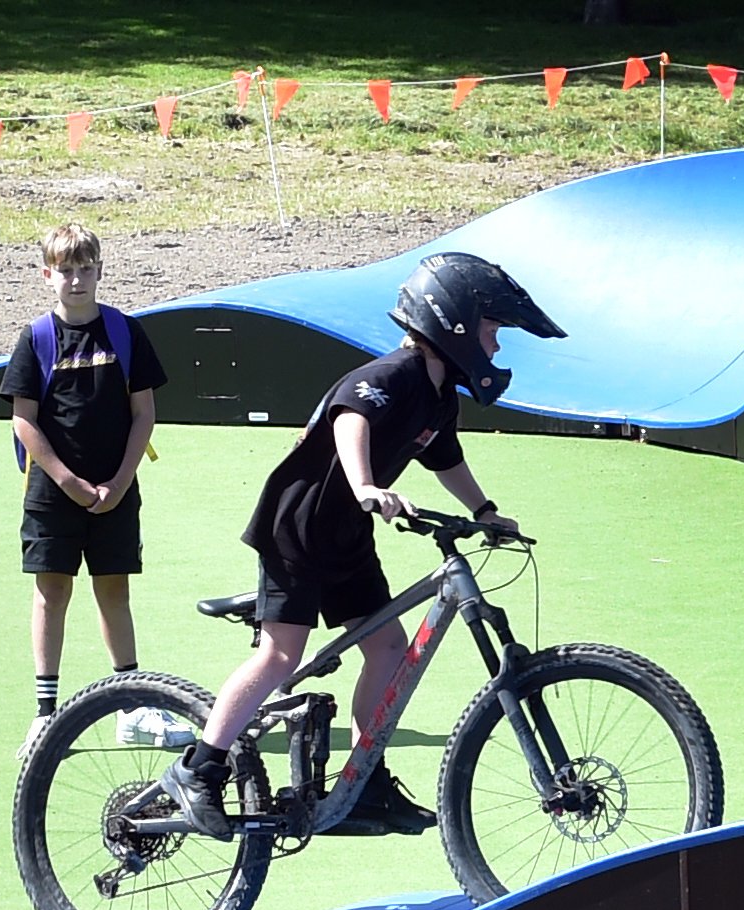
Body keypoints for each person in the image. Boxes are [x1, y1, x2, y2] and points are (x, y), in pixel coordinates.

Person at [155, 253, 558, 838]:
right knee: (281, 655)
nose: (496, 347)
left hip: (347, 536)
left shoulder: (441, 397)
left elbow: (444, 457)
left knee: (389, 649)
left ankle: (365, 780)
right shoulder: (396, 373)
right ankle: (198, 769)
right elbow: (349, 417)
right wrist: (367, 484)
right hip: (299, 525)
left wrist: (485, 512)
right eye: (493, 330)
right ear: (458, 327)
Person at [0, 224, 176, 743]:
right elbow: (24, 421)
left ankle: (131, 710)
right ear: (47, 275)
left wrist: (121, 480)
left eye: (85, 269)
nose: (76, 281)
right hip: (53, 494)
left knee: (113, 590)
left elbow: (144, 412)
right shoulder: (35, 340)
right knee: (51, 592)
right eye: (65, 271)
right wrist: (67, 479)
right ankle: (46, 714)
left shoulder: (125, 332)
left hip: (115, 491)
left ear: (99, 270)